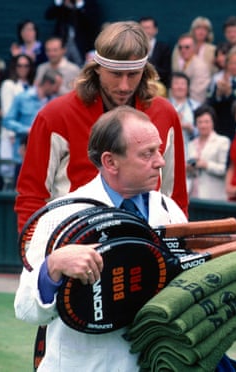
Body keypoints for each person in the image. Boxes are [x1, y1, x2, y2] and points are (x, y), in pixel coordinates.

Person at [14, 106, 187, 371]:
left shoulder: (169, 209)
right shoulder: (63, 213)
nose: (160, 161)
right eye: (147, 154)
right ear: (110, 162)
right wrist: (53, 267)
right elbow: (25, 308)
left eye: (158, 150)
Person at [14, 21, 188, 232]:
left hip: (146, 246)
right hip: (75, 247)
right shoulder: (55, 116)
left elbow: (175, 195)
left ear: (145, 70)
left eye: (133, 74)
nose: (124, 86)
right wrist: (35, 258)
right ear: (97, 68)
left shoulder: (165, 113)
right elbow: (31, 196)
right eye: (115, 73)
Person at [3, 69, 63, 182]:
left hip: (47, 159)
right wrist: (27, 130)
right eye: (57, 86)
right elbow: (7, 121)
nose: (58, 89)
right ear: (47, 84)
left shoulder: (56, 101)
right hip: (24, 156)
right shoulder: (22, 98)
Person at [186, 104, 230, 200]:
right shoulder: (191, 144)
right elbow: (189, 174)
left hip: (214, 196)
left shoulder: (222, 141)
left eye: (207, 122)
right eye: (200, 122)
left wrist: (206, 165)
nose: (203, 125)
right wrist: (188, 168)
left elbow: (224, 169)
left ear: (213, 123)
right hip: (193, 194)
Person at [44, 0, 100, 66]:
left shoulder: (89, 3)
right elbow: (48, 15)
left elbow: (92, 22)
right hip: (63, 42)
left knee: (81, 66)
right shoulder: (62, 4)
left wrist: (79, 4)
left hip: (81, 44)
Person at [171, 33, 211, 104]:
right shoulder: (182, 63)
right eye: (180, 47)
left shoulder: (200, 66)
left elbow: (197, 95)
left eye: (187, 47)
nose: (183, 50)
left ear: (194, 48)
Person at [168, 71, 199, 160]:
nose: (180, 87)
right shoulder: (164, 106)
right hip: (169, 150)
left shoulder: (196, 107)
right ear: (171, 87)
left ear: (188, 87)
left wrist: (190, 128)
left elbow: (203, 132)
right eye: (176, 83)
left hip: (190, 150)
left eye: (183, 84)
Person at [139, 16, 171, 89]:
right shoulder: (134, 48)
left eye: (148, 28)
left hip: (158, 89)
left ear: (155, 30)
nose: (145, 31)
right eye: (142, 28)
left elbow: (166, 72)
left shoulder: (164, 48)